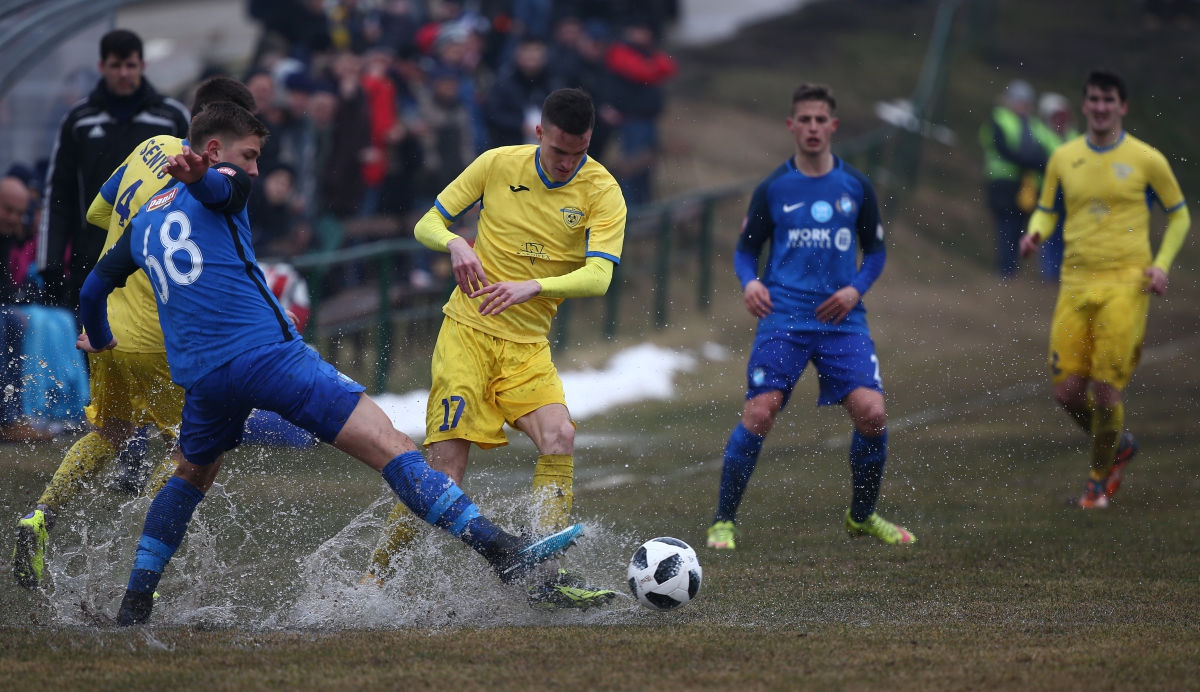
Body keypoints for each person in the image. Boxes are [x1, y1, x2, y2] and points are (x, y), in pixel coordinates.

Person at [78, 102, 583, 625]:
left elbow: (93, 289)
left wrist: (102, 335)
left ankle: (135, 604)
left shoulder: (141, 220)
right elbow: (222, 191)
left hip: (203, 380)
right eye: (249, 155)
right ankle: (501, 552)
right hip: (270, 357)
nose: (254, 168)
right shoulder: (223, 178)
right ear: (212, 149)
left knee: (188, 476)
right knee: (393, 447)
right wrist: (205, 177)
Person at [364, 88, 624, 610]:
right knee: (443, 474)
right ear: (539, 134)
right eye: (558, 152)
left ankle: (549, 574)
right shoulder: (495, 164)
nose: (568, 163)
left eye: (578, 152)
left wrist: (535, 287)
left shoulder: (603, 190)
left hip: (528, 345)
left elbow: (599, 276)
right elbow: (427, 223)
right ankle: (374, 580)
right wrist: (456, 242)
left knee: (560, 435)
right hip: (467, 335)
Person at [10, 77, 265, 589]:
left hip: (104, 322)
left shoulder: (152, 147)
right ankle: (140, 553)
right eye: (248, 153)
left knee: (110, 432)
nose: (251, 167)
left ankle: (40, 516)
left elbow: (96, 212)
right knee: (192, 454)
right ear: (221, 140)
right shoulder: (210, 192)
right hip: (157, 337)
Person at [706, 84, 914, 551]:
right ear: (792, 126)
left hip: (843, 321)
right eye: (805, 119)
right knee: (761, 411)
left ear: (833, 126)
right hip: (785, 317)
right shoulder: (774, 189)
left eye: (821, 120)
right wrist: (750, 283)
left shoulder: (856, 186)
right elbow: (745, 251)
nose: (814, 128)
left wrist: (854, 288)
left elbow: (876, 252)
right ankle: (724, 521)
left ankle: (861, 517)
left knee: (873, 414)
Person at [1019, 70, 1189, 508]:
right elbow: (1045, 209)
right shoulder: (1063, 158)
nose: (1099, 106)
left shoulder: (1147, 159)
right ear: (1084, 104)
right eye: (1092, 98)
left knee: (1105, 389)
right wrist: (1035, 234)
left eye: (1107, 100)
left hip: (1126, 283)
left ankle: (1097, 480)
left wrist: (1160, 265)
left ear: (1122, 106)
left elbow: (1180, 215)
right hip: (1075, 282)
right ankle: (1120, 443)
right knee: (1067, 392)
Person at [38, 30, 190, 311]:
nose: (123, 74)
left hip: (154, 255)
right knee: (91, 344)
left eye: (130, 65)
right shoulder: (79, 121)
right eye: (115, 66)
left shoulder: (171, 118)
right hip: (91, 257)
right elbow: (59, 193)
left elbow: (192, 187)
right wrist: (51, 264)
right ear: (101, 67)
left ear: (142, 66)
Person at [978, 80, 1048, 277]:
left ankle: (1011, 268)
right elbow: (1002, 148)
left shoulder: (1034, 124)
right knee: (1005, 224)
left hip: (1024, 183)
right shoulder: (999, 119)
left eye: (1025, 102)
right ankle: (1005, 268)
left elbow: (1043, 148)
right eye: (1019, 101)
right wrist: (1029, 162)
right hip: (1001, 181)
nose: (1022, 105)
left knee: (1018, 224)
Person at [605, 22, 676, 207]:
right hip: (632, 119)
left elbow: (669, 67)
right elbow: (641, 72)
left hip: (649, 118)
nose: (642, 36)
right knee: (631, 165)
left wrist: (651, 65)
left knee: (647, 165)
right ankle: (631, 208)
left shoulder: (649, 52)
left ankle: (645, 205)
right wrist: (652, 68)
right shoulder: (619, 51)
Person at [1031, 93, 1079, 282]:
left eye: (1063, 116)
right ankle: (1049, 274)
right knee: (1048, 232)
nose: (1060, 121)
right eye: (1056, 116)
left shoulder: (1073, 136)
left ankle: (1062, 273)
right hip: (1047, 190)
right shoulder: (1040, 134)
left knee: (1066, 233)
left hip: (1070, 192)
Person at [485, 39, 551, 148]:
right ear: (517, 54)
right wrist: (520, 125)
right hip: (511, 146)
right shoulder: (504, 82)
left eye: (536, 52)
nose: (532, 56)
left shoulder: (552, 82)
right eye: (528, 52)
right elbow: (492, 114)